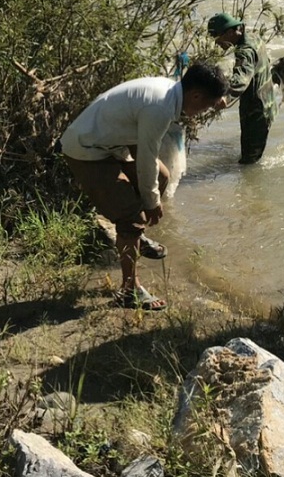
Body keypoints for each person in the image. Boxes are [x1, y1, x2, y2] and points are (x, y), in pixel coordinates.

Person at [59, 62, 228, 310]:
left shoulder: (170, 91)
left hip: (111, 142)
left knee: (161, 177)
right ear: (195, 95)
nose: (205, 111)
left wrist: (216, 99)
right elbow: (146, 158)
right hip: (87, 149)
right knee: (132, 215)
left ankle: (136, 236)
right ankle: (129, 291)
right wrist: (152, 202)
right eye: (207, 104)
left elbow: (148, 164)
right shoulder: (159, 107)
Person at [207, 12, 277, 164]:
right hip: (266, 102)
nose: (217, 44)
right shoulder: (253, 36)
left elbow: (242, 78)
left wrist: (226, 97)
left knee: (248, 162)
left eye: (218, 39)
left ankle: (251, 186)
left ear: (231, 32)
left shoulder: (245, 51)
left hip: (256, 110)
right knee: (252, 155)